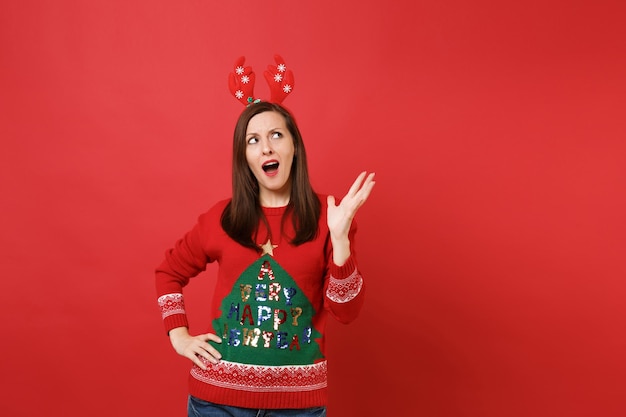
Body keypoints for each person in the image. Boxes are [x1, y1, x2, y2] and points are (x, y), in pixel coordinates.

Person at [155, 57, 375, 417]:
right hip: (217, 403)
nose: (266, 147)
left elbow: (346, 313)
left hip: (298, 408)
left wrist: (340, 241)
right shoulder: (221, 218)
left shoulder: (332, 217)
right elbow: (168, 273)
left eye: (276, 135)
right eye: (253, 140)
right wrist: (178, 334)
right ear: (245, 157)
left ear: (293, 146)